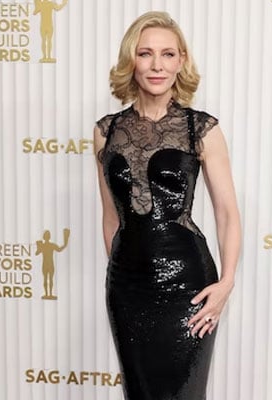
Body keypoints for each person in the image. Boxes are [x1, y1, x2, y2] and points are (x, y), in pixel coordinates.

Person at [93, 11, 240, 400]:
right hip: (127, 288)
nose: (157, 65)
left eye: (168, 54)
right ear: (131, 60)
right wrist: (120, 274)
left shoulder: (200, 129)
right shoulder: (106, 131)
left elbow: (227, 213)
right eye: (145, 54)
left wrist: (226, 283)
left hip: (188, 284)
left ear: (181, 61)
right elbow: (110, 217)